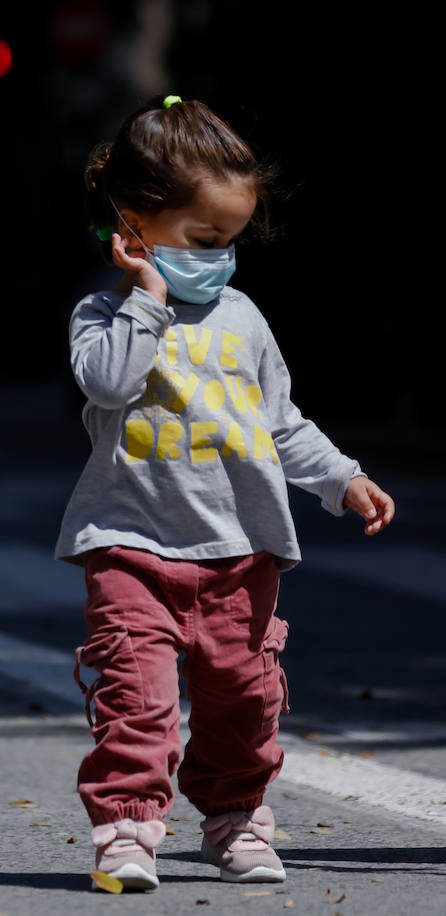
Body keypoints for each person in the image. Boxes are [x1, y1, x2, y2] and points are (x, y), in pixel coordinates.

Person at [55, 95, 395, 892]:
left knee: (244, 702)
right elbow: (108, 385)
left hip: (242, 555)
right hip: (131, 548)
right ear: (136, 224)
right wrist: (147, 295)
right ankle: (128, 832)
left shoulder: (246, 321)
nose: (220, 258)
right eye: (203, 240)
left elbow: (279, 425)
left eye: (231, 242)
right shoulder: (105, 315)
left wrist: (343, 477)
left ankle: (236, 817)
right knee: (136, 699)